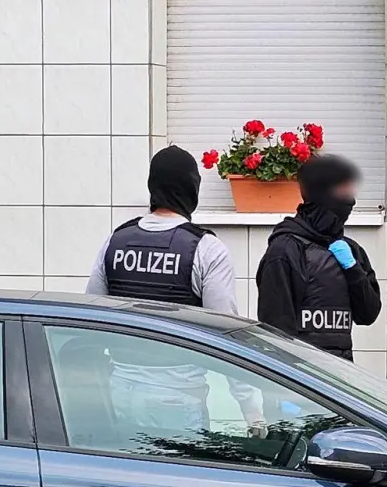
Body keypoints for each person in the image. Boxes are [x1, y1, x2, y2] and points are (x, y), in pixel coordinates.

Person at [87, 145, 265, 437]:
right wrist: (252, 412)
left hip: (120, 392)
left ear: (152, 186)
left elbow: (92, 319)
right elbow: (227, 333)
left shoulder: (115, 242)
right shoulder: (205, 249)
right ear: (192, 188)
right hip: (177, 398)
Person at [255, 155, 381, 360]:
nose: (350, 200)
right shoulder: (285, 250)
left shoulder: (350, 249)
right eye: (344, 190)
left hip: (339, 372)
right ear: (322, 192)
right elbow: (276, 330)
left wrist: (353, 270)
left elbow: (368, 314)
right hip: (299, 374)